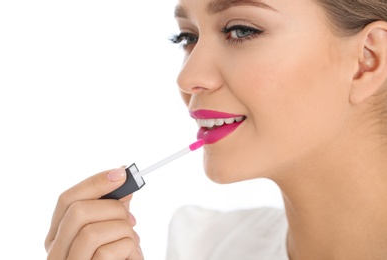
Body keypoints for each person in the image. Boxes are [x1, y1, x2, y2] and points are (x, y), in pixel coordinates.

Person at [45, 0, 387, 259]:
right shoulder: (203, 247)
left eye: (241, 30)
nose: (187, 78)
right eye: (188, 37)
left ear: (366, 61)